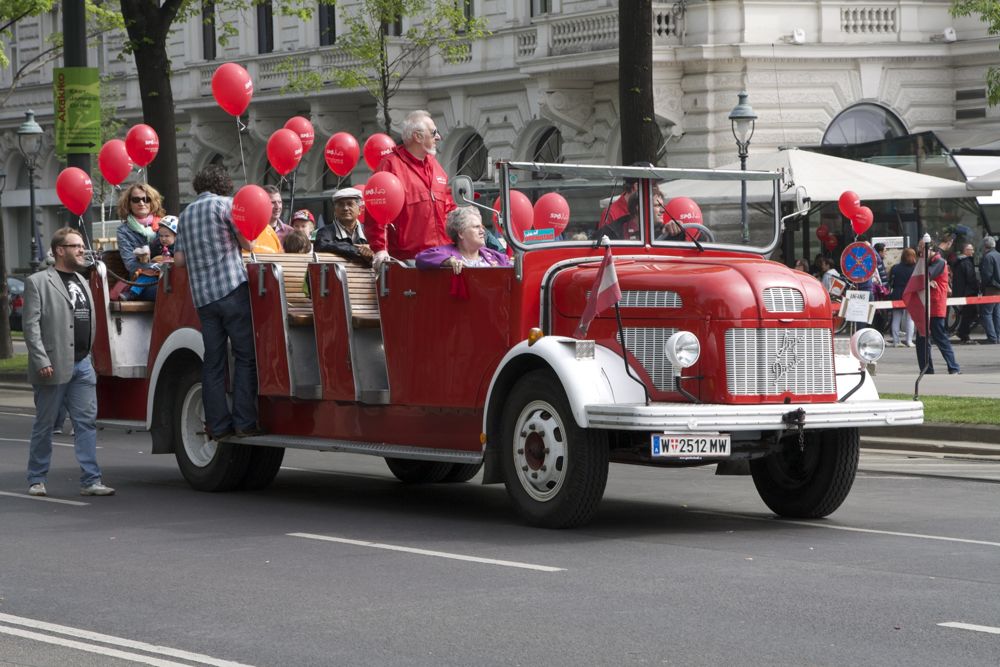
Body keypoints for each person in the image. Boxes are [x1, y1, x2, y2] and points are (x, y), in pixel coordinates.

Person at [174, 165, 262, 440]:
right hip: (232, 289)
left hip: (203, 298)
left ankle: (218, 425)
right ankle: (245, 422)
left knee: (213, 362)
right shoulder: (227, 205)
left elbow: (178, 261)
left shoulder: (186, 214)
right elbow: (247, 243)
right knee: (245, 356)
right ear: (224, 183)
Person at [24, 227, 114, 497]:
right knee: (46, 423)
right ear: (59, 250)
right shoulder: (38, 281)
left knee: (85, 422)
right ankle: (36, 478)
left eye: (81, 246)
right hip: (52, 364)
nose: (81, 250)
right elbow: (31, 326)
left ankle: (91, 480)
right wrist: (41, 359)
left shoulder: (82, 280)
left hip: (83, 364)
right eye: (75, 246)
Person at [369, 110, 455, 268]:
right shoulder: (390, 166)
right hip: (408, 262)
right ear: (418, 136)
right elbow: (376, 210)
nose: (438, 137)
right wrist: (380, 248)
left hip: (443, 257)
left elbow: (448, 208)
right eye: (433, 132)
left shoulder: (435, 166)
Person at [909, 237, 960, 375]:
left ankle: (953, 367)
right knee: (922, 340)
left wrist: (927, 281)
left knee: (939, 337)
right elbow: (920, 277)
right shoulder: (925, 261)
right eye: (919, 247)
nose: (920, 250)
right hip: (925, 306)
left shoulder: (938, 261)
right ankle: (927, 369)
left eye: (922, 247)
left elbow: (926, 275)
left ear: (930, 248)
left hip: (935, 307)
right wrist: (926, 282)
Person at [415, 206, 511, 273]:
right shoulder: (446, 253)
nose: (483, 231)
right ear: (460, 233)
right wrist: (448, 261)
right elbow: (421, 258)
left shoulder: (496, 257)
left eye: (482, 227)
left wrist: (499, 274)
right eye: (476, 227)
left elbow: (512, 273)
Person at [116, 183, 165, 275]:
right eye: (136, 200)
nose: (141, 203)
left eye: (146, 199)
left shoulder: (164, 224)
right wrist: (158, 267)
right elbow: (131, 265)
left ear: (152, 202)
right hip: (141, 279)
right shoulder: (123, 230)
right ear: (129, 204)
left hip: (167, 276)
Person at [314, 187, 373, 263]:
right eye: (341, 204)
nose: (345, 208)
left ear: (360, 210)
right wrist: (356, 250)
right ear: (335, 211)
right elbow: (321, 245)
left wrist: (370, 252)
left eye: (350, 204)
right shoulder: (325, 232)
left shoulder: (369, 232)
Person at [952, 242, 980, 344]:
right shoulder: (966, 262)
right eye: (970, 249)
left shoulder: (959, 262)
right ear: (965, 251)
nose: (972, 251)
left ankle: (962, 332)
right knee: (971, 314)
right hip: (968, 292)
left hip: (962, 292)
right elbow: (970, 278)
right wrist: (977, 287)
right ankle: (963, 333)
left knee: (967, 314)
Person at [888, 247, 917, 347]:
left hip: (897, 293)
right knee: (910, 319)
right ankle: (909, 341)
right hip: (910, 294)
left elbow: (890, 282)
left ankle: (896, 341)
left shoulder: (895, 267)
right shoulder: (915, 268)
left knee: (896, 318)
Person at [978, 236, 1000, 344]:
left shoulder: (988, 257)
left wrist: (982, 288)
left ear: (985, 246)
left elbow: (986, 275)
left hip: (991, 289)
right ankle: (998, 336)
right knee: (996, 313)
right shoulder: (998, 255)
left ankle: (992, 337)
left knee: (986, 313)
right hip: (998, 289)